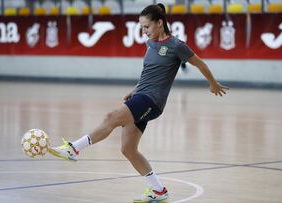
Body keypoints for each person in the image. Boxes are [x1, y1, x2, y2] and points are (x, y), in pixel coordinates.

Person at [49, 3, 229, 203]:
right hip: (141, 96)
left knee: (111, 117)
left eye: (146, 27)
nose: (144, 32)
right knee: (128, 149)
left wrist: (212, 84)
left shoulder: (176, 46)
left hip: (153, 101)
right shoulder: (150, 43)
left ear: (159, 23)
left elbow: (200, 63)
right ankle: (158, 190)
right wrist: (135, 90)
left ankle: (74, 148)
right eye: (142, 27)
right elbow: (150, 72)